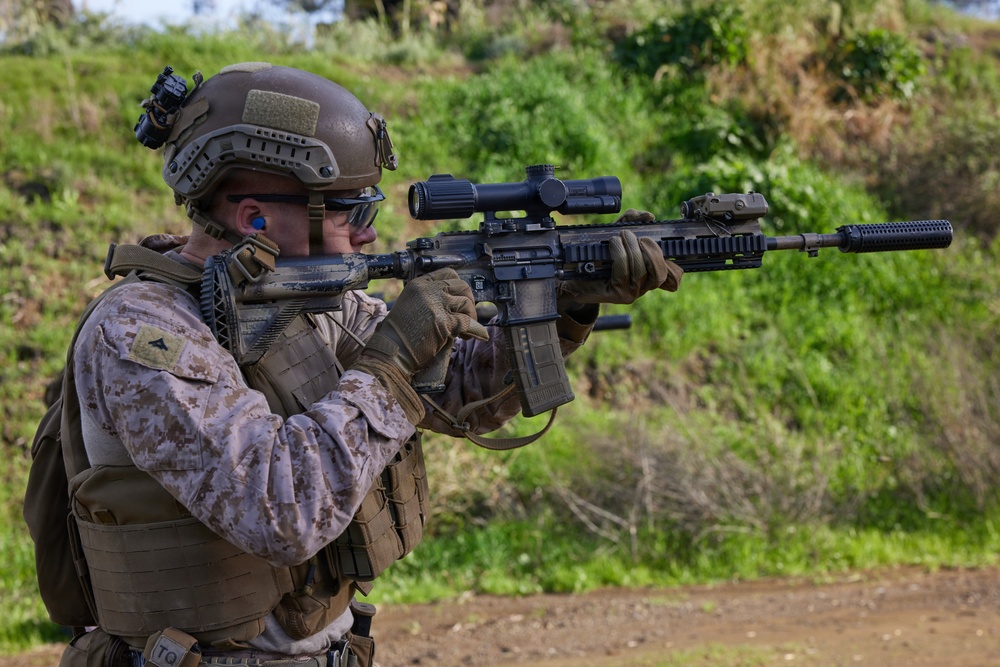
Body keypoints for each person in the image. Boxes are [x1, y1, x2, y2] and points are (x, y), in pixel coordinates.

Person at [45, 61, 683, 667]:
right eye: (353, 210)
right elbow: (278, 509)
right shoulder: (140, 332)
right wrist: (393, 360)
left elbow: (460, 392)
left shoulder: (320, 304)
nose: (370, 233)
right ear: (254, 217)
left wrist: (562, 307)